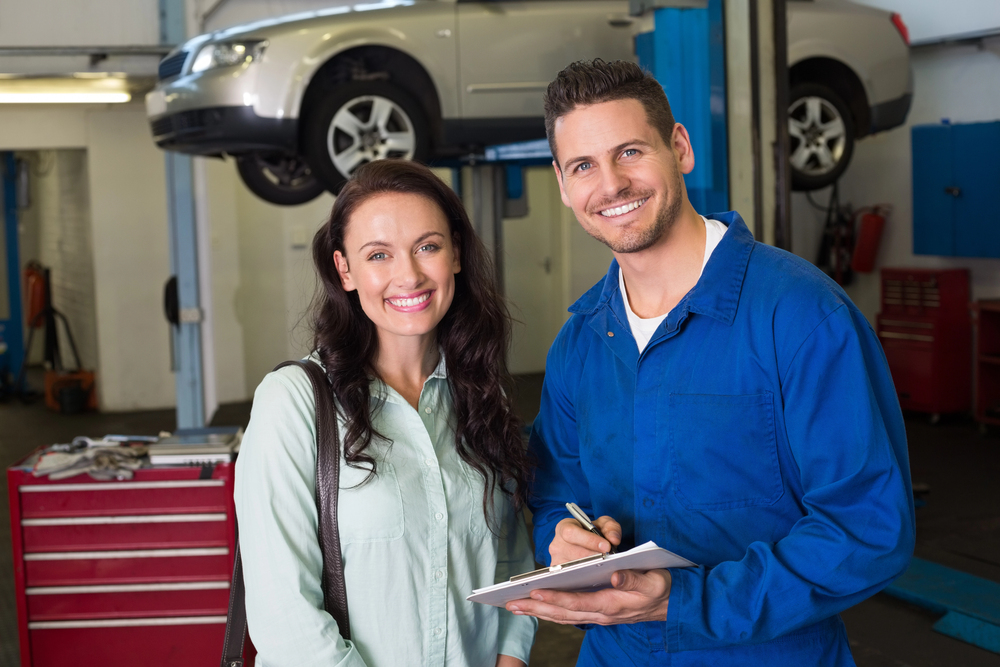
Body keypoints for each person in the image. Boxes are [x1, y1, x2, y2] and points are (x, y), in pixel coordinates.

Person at [507, 59, 915, 666]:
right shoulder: (581, 342)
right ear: (564, 186)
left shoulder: (800, 315)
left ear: (680, 148)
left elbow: (867, 528)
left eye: (630, 152)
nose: (611, 185)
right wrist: (563, 541)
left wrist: (681, 599)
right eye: (583, 166)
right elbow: (554, 492)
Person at [235, 159, 537, 667]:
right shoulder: (293, 402)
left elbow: (509, 559)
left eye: (428, 246)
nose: (410, 275)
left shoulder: (481, 398)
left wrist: (511, 657)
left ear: (455, 254)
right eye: (379, 254)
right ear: (345, 271)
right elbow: (285, 618)